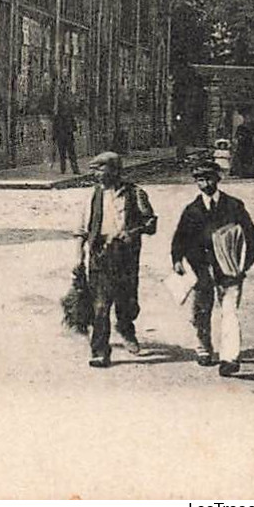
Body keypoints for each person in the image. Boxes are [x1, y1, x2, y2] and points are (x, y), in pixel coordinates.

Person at [171, 158, 254, 376]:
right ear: (196, 183)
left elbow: (250, 236)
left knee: (229, 312)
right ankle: (203, 349)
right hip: (201, 270)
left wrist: (244, 264)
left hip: (229, 271)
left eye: (209, 178)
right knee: (201, 311)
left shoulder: (234, 205)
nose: (205, 183)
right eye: (200, 180)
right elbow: (179, 239)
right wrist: (177, 260)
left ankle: (230, 358)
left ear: (218, 179)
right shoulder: (191, 210)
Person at [75, 152, 157, 368]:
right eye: (95, 170)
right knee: (100, 306)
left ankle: (126, 330)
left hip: (126, 256)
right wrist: (78, 256)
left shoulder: (135, 193)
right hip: (100, 255)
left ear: (115, 170)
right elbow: (82, 230)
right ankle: (100, 351)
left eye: (101, 170)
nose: (97, 175)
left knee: (126, 301)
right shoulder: (92, 196)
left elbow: (151, 223)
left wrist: (134, 231)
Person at [51, 102, 79, 177]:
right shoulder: (68, 117)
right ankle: (74, 169)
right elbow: (75, 127)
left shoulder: (59, 117)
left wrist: (54, 137)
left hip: (63, 137)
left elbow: (54, 128)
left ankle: (65, 169)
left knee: (64, 154)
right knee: (70, 154)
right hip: (66, 137)